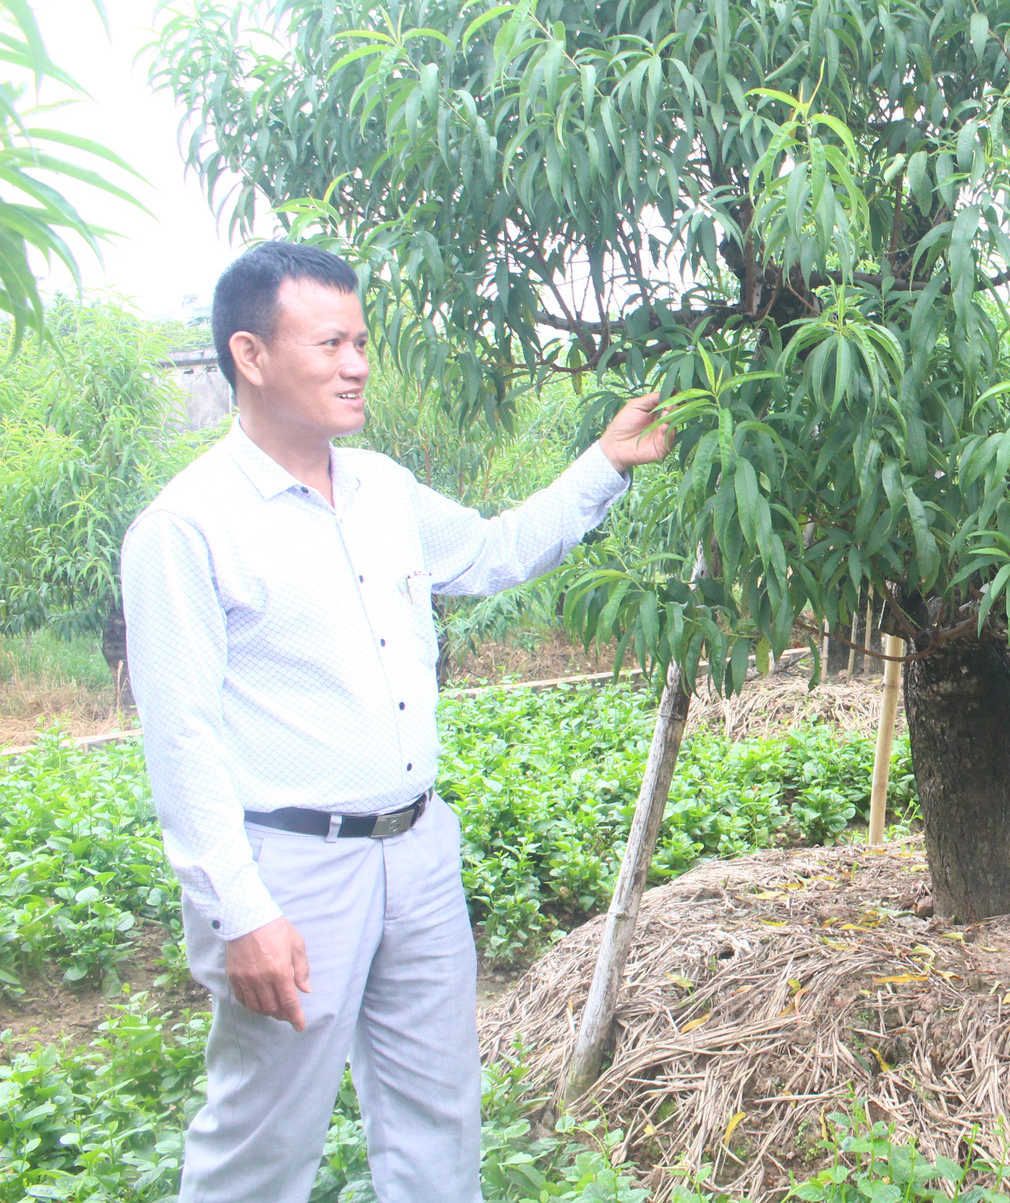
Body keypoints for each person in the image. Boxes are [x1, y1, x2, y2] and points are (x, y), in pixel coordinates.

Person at [121, 241, 671, 1202]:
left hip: (415, 852)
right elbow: (181, 738)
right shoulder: (188, 526)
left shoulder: (382, 489)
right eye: (330, 342)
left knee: (439, 1119)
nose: (357, 364)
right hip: (291, 872)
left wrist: (603, 465)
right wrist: (240, 910)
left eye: (362, 341)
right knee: (263, 1141)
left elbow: (496, 552)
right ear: (251, 355)